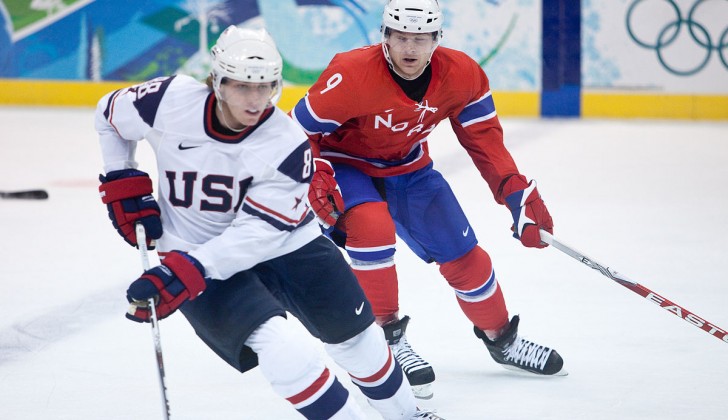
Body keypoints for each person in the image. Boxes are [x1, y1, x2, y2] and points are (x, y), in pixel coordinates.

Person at [95, 25, 444, 420]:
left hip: (286, 243)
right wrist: (120, 177)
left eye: (265, 87)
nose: (255, 99)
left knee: (360, 342)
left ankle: (407, 415)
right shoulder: (167, 100)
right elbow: (109, 114)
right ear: (217, 80)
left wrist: (186, 273)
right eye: (243, 86)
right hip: (193, 252)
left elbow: (257, 233)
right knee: (284, 351)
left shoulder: (286, 142)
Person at [291, 0, 565, 400]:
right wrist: (313, 173)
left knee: (469, 260)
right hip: (345, 166)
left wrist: (513, 189)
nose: (410, 48)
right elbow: (296, 131)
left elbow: (483, 137)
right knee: (372, 228)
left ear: (437, 38)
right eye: (401, 36)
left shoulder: (463, 74)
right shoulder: (351, 74)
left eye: (421, 38)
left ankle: (502, 340)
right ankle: (384, 342)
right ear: (384, 37)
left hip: (409, 169)